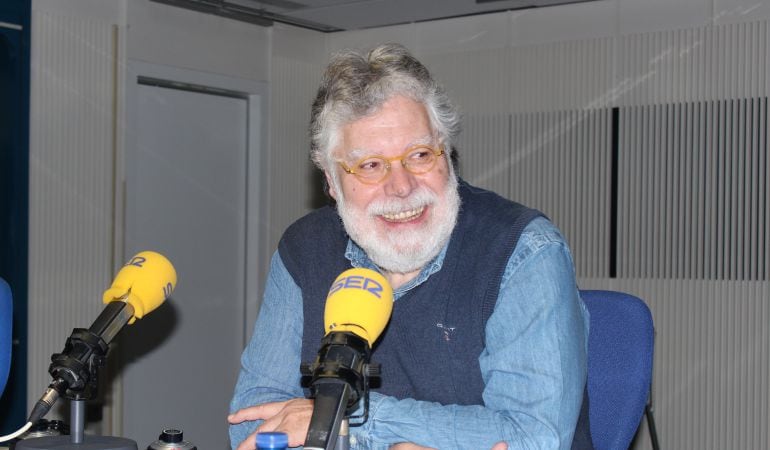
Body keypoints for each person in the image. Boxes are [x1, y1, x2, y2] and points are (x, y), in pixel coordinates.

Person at [228, 43, 592, 450]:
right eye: (370, 165)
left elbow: (534, 436)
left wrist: (349, 418)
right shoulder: (304, 250)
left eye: (419, 155)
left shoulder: (524, 252)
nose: (401, 187)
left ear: (447, 155)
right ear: (331, 182)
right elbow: (252, 422)